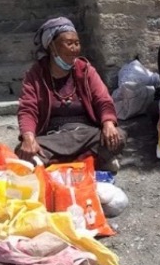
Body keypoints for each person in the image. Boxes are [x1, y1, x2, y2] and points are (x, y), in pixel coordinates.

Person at [16, 17, 126, 173]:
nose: (75, 48)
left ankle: (57, 165)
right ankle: (93, 161)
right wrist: (28, 137)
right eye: (69, 43)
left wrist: (108, 123)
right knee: (22, 150)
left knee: (118, 136)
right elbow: (28, 109)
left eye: (77, 43)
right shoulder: (35, 74)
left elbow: (103, 99)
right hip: (53, 137)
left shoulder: (85, 70)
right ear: (52, 46)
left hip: (85, 133)